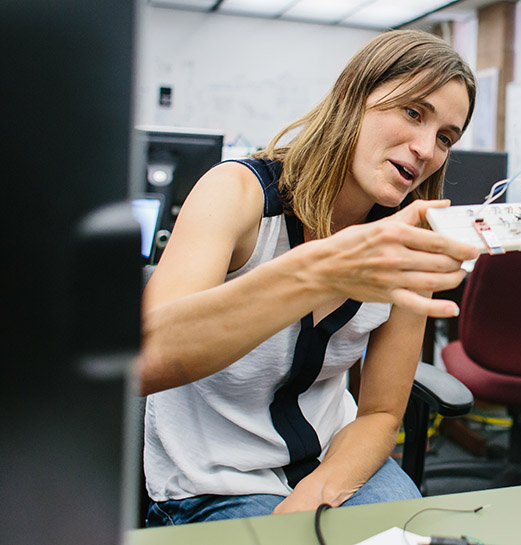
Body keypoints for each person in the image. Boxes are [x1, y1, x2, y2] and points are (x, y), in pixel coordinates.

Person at [138, 30, 480, 526]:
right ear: (353, 96)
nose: (426, 148)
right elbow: (148, 359)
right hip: (216, 480)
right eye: (413, 112)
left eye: (446, 137)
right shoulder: (236, 193)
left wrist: (319, 492)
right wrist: (325, 271)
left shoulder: (408, 240)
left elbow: (382, 414)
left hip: (335, 461)